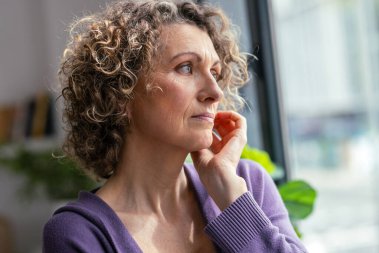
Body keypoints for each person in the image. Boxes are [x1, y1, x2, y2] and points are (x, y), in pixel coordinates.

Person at [43, 0, 308, 252]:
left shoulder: (249, 184)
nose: (215, 92)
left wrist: (233, 201)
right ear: (120, 92)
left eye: (214, 72)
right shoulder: (80, 233)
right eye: (186, 68)